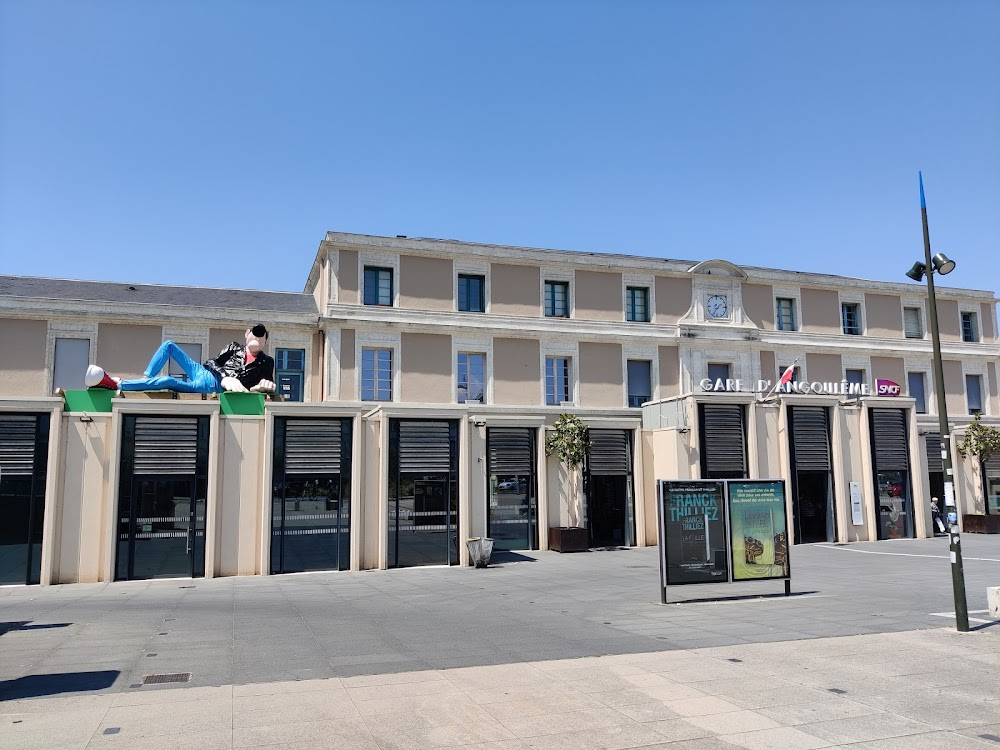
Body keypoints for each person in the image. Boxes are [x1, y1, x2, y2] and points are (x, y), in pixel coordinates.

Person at [84, 324, 276, 395]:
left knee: (168, 381)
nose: (257, 339)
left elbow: (266, 388)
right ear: (247, 334)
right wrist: (225, 376)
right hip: (206, 373)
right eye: (255, 334)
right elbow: (212, 363)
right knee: (169, 345)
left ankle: (118, 384)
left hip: (210, 387)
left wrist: (260, 389)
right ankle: (145, 379)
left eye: (262, 336)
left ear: (265, 342)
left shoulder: (267, 362)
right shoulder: (234, 347)